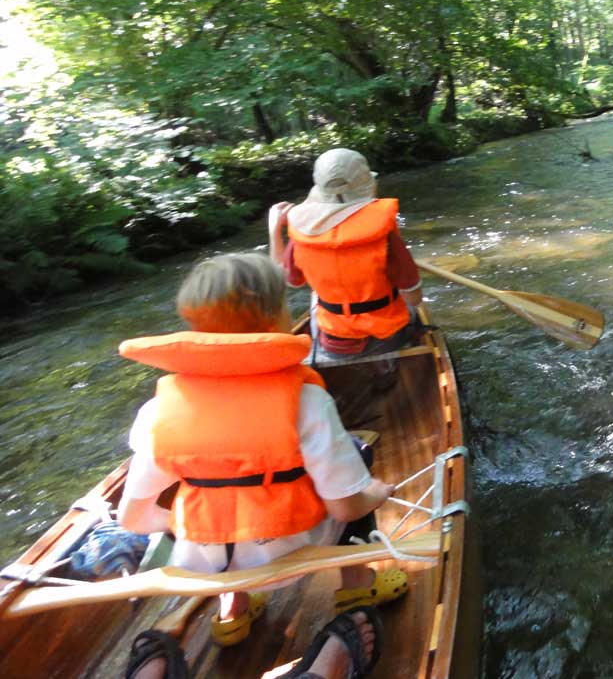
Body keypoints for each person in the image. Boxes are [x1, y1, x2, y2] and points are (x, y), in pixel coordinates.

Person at [117, 253, 408, 677]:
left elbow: (133, 517)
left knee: (198, 491)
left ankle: (233, 611)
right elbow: (346, 508)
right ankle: (357, 589)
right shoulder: (308, 400)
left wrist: (189, 523)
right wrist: (376, 492)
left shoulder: (158, 410)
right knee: (358, 457)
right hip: (295, 552)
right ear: (276, 319)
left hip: (207, 566)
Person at [268, 148, 423, 364]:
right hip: (386, 337)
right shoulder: (384, 234)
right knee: (414, 311)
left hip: (332, 341)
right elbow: (414, 298)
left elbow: (287, 280)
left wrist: (275, 230)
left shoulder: (302, 233)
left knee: (316, 298)